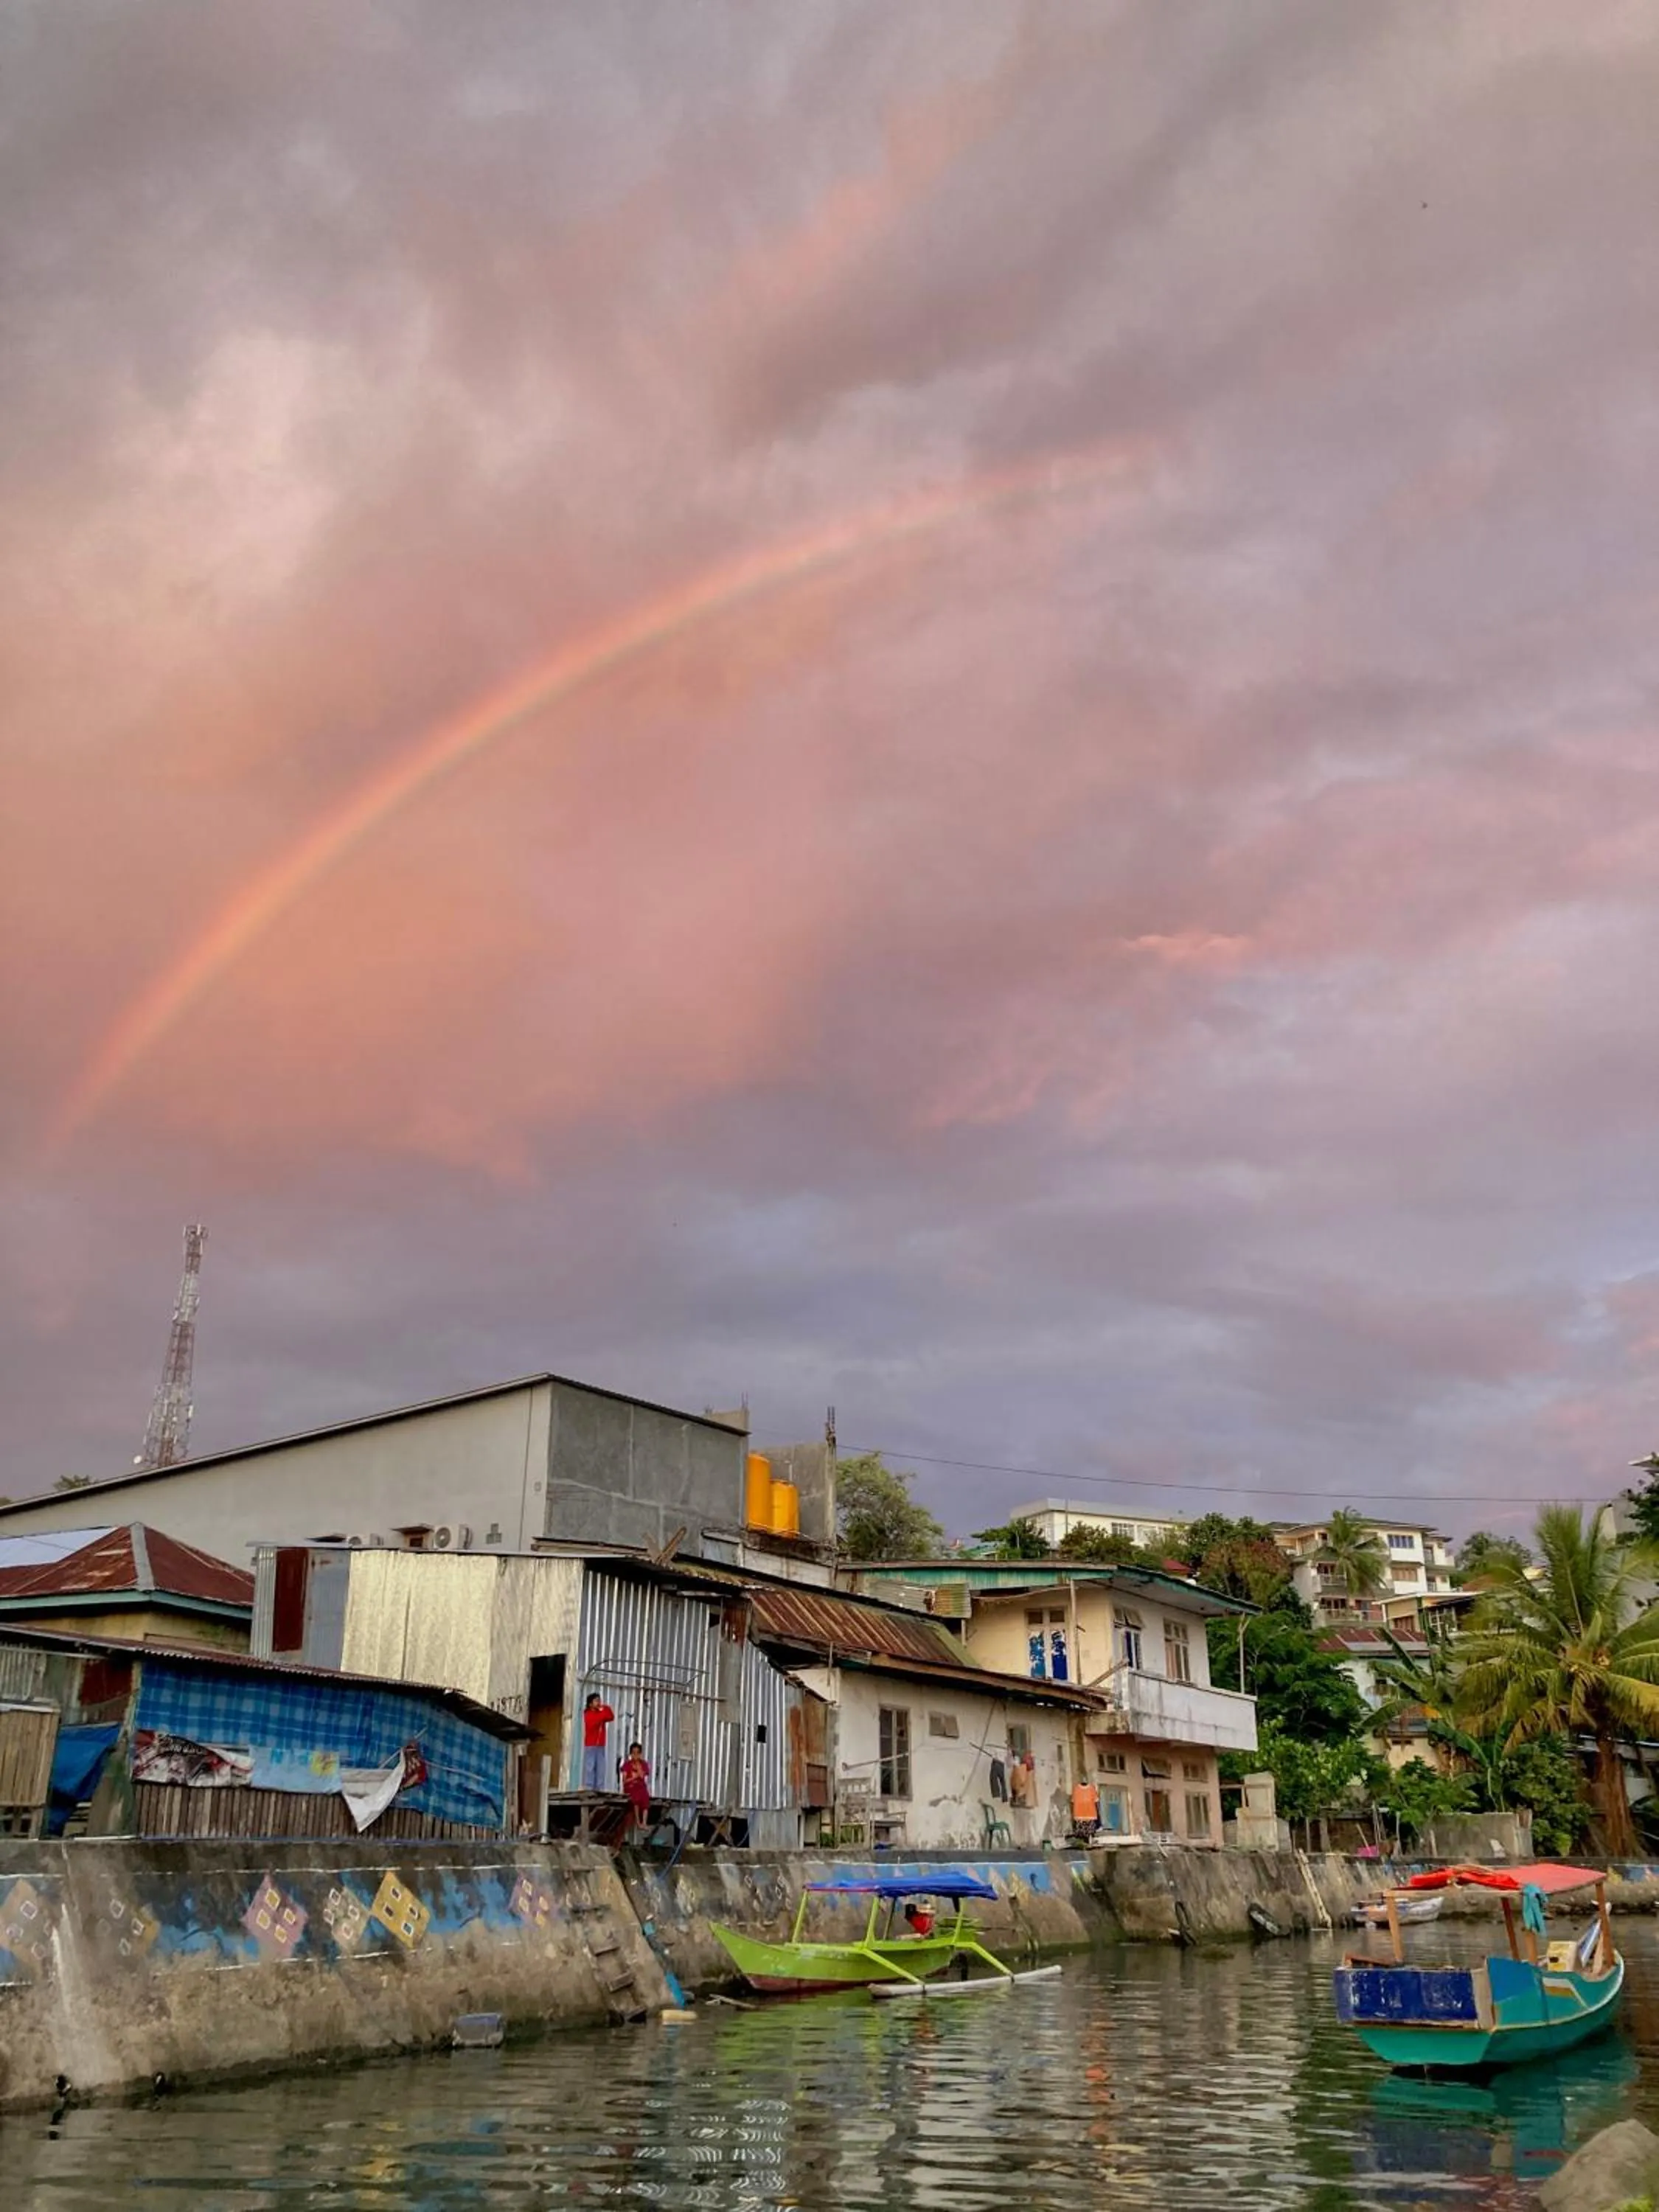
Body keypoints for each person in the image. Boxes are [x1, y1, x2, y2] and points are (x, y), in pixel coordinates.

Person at [581, 1691, 615, 1792]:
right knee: (590, 1767)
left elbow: (611, 1717)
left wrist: (605, 1707)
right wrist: (602, 1713)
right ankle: (589, 1787)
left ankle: (599, 1788)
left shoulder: (601, 1712)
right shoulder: (588, 1714)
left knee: (601, 1767)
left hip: (600, 1744)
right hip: (591, 1744)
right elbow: (594, 1723)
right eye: (596, 1701)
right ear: (590, 1704)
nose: (599, 1703)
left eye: (599, 1700)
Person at [619, 1741, 651, 1832]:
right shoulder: (627, 1765)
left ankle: (644, 1822)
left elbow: (642, 1775)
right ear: (631, 1754)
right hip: (630, 1787)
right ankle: (638, 1822)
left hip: (641, 1787)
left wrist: (638, 1768)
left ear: (640, 1754)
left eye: (638, 1753)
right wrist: (634, 1777)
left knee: (645, 1797)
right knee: (636, 1799)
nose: (636, 1755)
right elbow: (625, 1780)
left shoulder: (643, 1764)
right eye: (634, 1753)